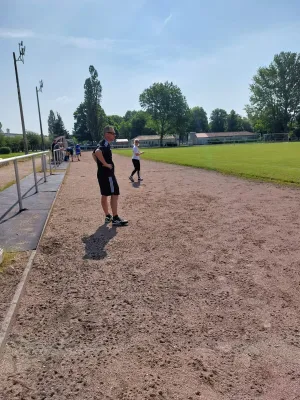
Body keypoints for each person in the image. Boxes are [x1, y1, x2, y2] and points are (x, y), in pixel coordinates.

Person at [92, 126, 128, 226]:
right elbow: (97, 152)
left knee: (105, 194)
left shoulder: (103, 143)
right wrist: (106, 164)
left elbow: (93, 154)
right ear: (107, 134)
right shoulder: (104, 144)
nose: (114, 135)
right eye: (113, 133)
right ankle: (115, 217)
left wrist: (100, 164)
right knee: (114, 193)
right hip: (108, 175)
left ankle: (108, 215)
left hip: (103, 174)